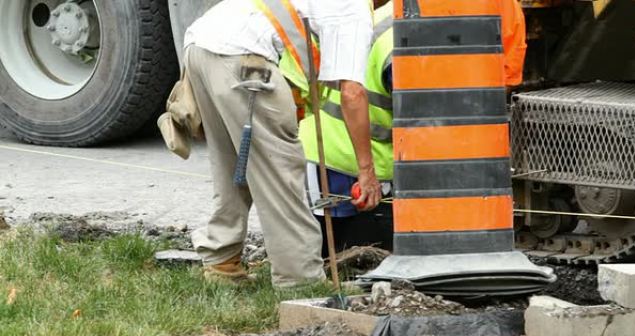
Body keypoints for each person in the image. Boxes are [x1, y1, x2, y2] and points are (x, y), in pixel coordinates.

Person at [183, 0, 383, 287]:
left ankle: (221, 262)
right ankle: (300, 278)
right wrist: (367, 172)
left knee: (232, 162)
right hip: (243, 60)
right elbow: (351, 93)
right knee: (280, 172)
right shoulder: (354, 7)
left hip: (202, 44)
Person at [301, 0, 527, 253]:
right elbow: (424, 127)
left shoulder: (400, 15)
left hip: (366, 160)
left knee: (372, 253)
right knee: (339, 254)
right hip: (339, 161)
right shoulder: (405, 44)